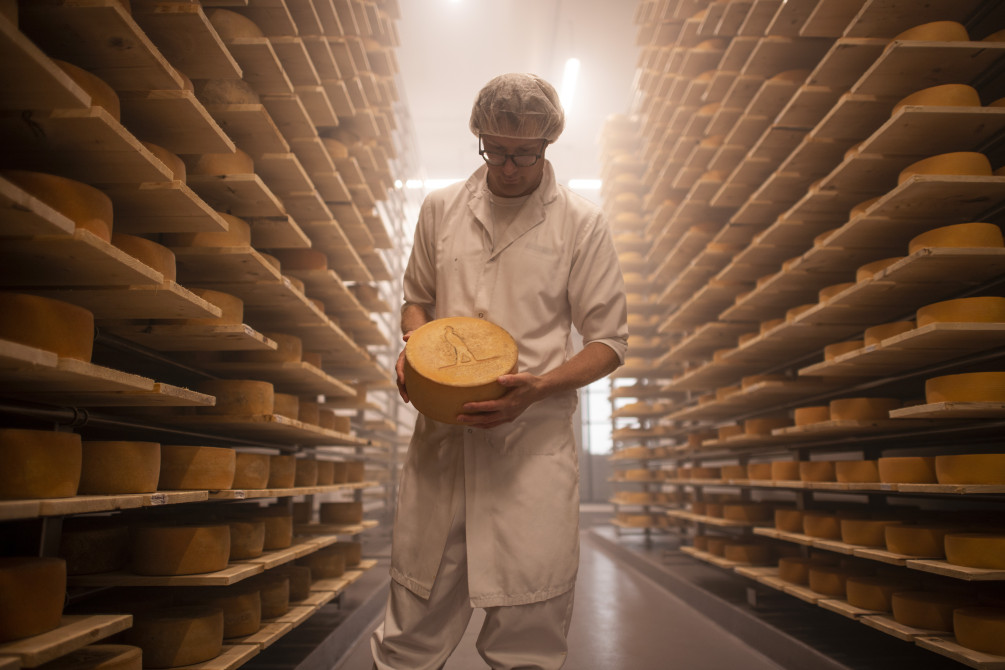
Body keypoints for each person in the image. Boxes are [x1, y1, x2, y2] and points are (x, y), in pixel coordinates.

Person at [371, 73, 629, 670]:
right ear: (479, 138)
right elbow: (416, 298)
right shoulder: (440, 209)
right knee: (409, 632)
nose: (508, 166)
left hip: (528, 453)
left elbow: (609, 341)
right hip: (444, 446)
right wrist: (416, 348)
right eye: (495, 150)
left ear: (547, 146)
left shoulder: (580, 223)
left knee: (527, 641)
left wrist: (538, 388)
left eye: (524, 154)